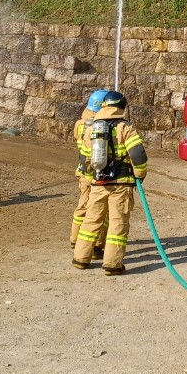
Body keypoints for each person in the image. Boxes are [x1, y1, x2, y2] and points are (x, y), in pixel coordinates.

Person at [73, 90, 147, 275]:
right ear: (121, 107)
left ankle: (81, 259)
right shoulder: (125, 128)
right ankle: (112, 265)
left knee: (91, 220)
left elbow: (85, 157)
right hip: (121, 184)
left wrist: (92, 177)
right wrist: (140, 174)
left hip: (98, 183)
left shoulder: (92, 128)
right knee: (117, 223)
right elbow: (138, 155)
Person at [70, 89, 110, 254]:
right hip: (97, 174)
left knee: (83, 206)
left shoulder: (80, 124)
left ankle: (75, 239)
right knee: (101, 210)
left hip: (83, 172)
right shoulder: (101, 126)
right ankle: (96, 244)